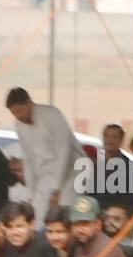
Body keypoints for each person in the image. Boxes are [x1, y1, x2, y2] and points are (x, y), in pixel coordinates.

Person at [6, 87, 85, 221]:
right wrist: (31, 192)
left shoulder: (51, 115)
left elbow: (63, 152)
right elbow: (29, 160)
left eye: (20, 111)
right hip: (45, 175)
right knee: (36, 216)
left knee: (63, 216)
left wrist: (56, 189)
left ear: (29, 103)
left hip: (72, 171)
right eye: (14, 114)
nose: (19, 116)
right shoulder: (19, 125)